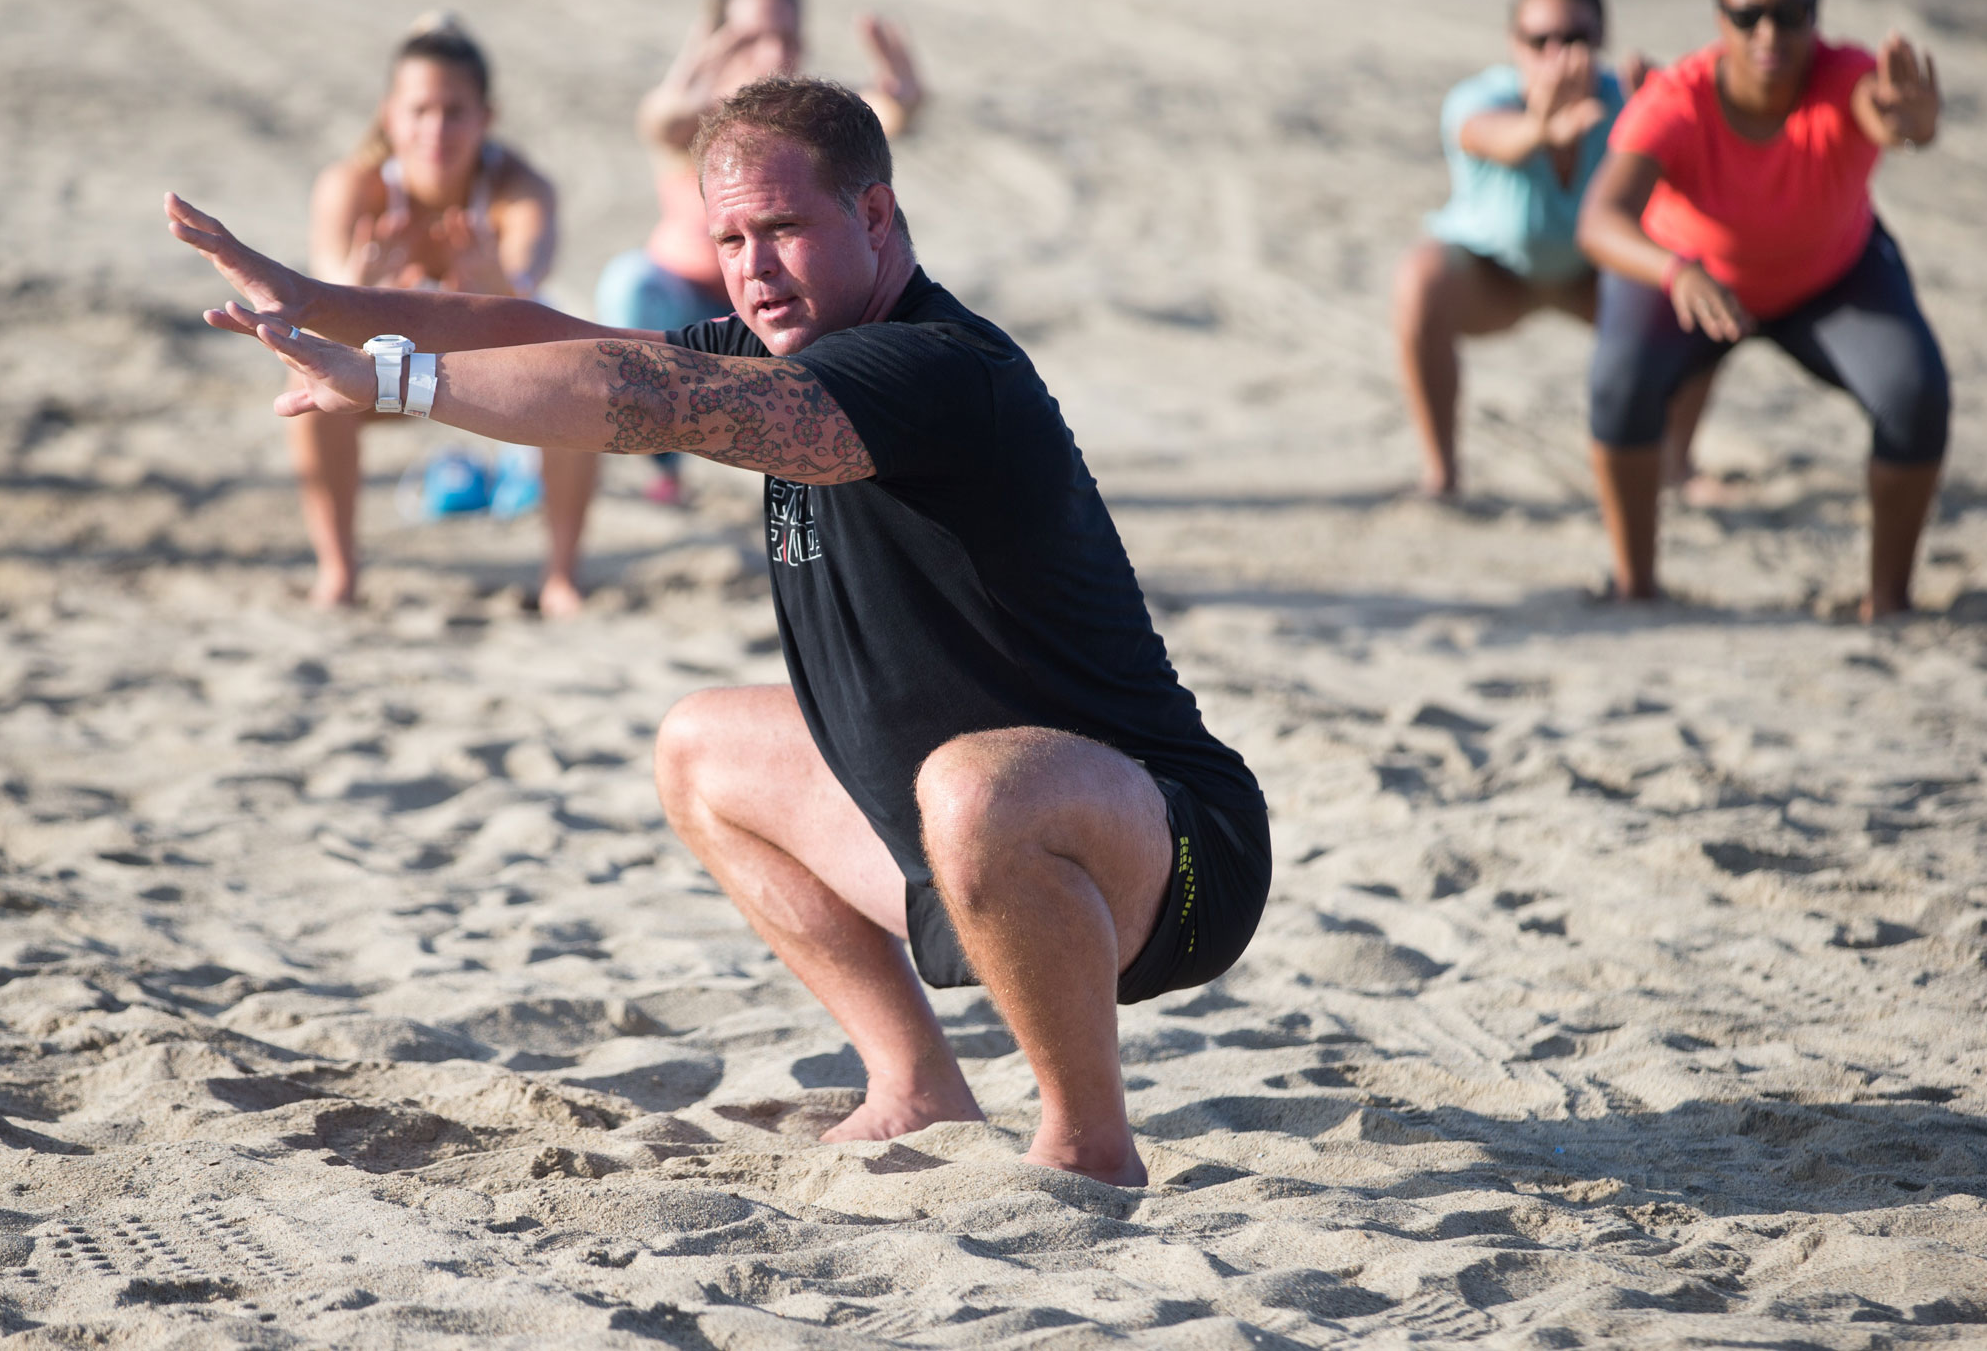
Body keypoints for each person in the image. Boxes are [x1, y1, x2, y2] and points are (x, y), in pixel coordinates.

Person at [167, 77, 1270, 1187]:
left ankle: (1087, 1143)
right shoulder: (774, 347)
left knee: (973, 790)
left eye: (784, 228)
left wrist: (394, 382)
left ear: (875, 219)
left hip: (1164, 852)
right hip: (954, 852)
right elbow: (543, 333)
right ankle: (914, 1086)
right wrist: (316, 296)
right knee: (703, 747)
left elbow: (638, 397)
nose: (752, 264)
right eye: (730, 237)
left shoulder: (936, 367)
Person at [1577, 0, 1946, 618]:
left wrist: (1911, 125)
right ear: (1720, 15)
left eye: (1790, 13)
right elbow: (1600, 219)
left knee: (1914, 392)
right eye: (1748, 16)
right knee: (1618, 382)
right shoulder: (1677, 100)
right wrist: (1675, 270)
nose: (1768, 34)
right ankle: (1636, 584)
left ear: (1816, 13)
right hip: (1691, 280)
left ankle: (1888, 600)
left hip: (1830, 276)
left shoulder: (1847, 78)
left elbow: (1884, 116)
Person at [297, 16, 592, 613]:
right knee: (305, 383)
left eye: (455, 111)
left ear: (487, 117)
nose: (436, 129)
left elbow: (530, 294)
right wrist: (361, 285)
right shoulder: (353, 188)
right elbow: (322, 302)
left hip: (491, 363)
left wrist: (492, 284)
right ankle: (339, 572)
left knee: (585, 379)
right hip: (382, 366)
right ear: (389, 114)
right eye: (420, 110)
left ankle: (561, 575)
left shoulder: (519, 187)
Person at [595, 0, 922, 505]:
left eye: (788, 37)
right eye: (752, 37)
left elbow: (883, 116)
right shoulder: (694, 116)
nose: (774, 51)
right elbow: (659, 120)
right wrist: (690, 74)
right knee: (629, 281)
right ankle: (665, 464)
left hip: (789, 302)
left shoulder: (813, 123)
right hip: (687, 305)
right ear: (718, 41)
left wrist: (902, 99)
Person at [1395, 0, 1708, 500]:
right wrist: (1539, 128)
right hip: (1496, 276)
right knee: (1420, 279)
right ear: (1513, 42)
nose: (1556, 55)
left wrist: (1669, 114)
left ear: (1601, 40)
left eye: (1575, 38)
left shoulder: (1628, 103)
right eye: (1540, 40)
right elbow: (1487, 137)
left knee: (1694, 287)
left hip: (1594, 279)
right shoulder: (1481, 98)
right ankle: (1441, 472)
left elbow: (1695, 180)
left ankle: (1675, 465)